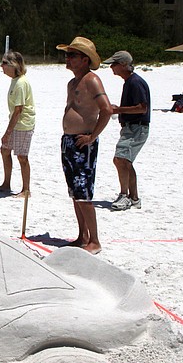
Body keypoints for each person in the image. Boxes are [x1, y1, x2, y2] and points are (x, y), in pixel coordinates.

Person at [56, 36, 112, 254]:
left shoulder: (92, 80)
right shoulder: (72, 83)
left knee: (84, 193)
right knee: (74, 192)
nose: (68, 59)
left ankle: (95, 240)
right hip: (69, 141)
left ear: (85, 59)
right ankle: (83, 236)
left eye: (72, 55)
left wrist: (92, 137)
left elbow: (106, 109)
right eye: (67, 55)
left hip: (83, 142)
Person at [105, 50, 150, 211]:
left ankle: (124, 195)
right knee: (125, 161)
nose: (111, 67)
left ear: (124, 64)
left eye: (114, 64)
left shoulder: (135, 82)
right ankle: (134, 198)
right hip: (133, 127)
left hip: (136, 127)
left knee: (120, 159)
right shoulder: (130, 82)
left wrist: (118, 110)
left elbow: (142, 108)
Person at [0, 51, 35, 197]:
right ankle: (6, 183)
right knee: (5, 150)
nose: (2, 66)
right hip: (15, 122)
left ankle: (26, 190)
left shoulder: (21, 83)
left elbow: (18, 110)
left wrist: (7, 133)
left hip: (23, 124)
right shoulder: (15, 81)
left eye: (4, 63)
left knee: (22, 157)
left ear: (14, 65)